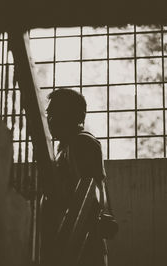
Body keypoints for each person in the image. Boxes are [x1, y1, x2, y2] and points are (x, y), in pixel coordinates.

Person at [42, 88, 118, 266]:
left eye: (54, 114)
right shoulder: (68, 146)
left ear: (70, 116)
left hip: (80, 241)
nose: (49, 120)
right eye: (49, 115)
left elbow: (91, 191)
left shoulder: (82, 142)